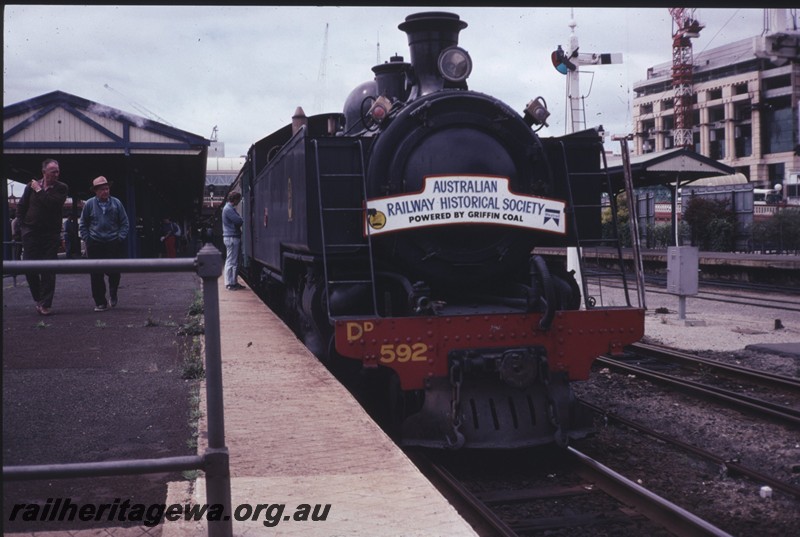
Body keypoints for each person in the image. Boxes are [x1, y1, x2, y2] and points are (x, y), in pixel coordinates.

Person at [15, 158, 69, 315]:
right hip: (31, 232)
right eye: (53, 172)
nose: (56, 174)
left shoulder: (61, 188)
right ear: (44, 172)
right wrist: (22, 226)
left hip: (50, 233)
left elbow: (51, 204)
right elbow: (21, 206)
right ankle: (39, 298)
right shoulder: (30, 187)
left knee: (49, 269)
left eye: (58, 171)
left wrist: (39, 190)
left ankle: (45, 304)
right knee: (29, 267)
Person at [79, 176, 129, 312]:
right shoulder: (89, 204)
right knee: (96, 274)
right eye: (102, 189)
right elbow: (83, 224)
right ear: (95, 191)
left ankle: (113, 293)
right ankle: (100, 302)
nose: (105, 191)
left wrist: (120, 238)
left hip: (113, 242)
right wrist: (88, 239)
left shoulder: (117, 203)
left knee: (115, 272)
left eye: (107, 189)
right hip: (95, 243)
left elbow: (125, 223)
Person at [222, 191, 244, 290]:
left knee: (231, 260)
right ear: (234, 199)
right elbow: (239, 221)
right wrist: (240, 218)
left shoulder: (228, 208)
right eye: (238, 200)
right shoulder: (228, 209)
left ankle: (232, 282)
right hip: (232, 237)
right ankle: (230, 283)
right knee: (232, 261)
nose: (238, 202)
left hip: (231, 237)